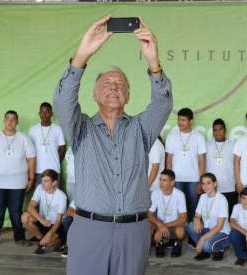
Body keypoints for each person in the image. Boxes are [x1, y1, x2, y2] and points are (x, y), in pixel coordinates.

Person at [53, 16, 172, 275]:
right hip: (89, 230)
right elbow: (63, 101)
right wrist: (81, 56)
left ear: (128, 95)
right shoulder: (80, 128)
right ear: (95, 94)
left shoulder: (141, 128)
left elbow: (163, 104)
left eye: (120, 84)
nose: (113, 87)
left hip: (134, 232)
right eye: (106, 83)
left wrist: (153, 63)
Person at [0, 110, 36, 246]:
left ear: (17, 122)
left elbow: (31, 159)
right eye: (7, 119)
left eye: (13, 119)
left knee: (16, 211)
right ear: (4, 121)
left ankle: (20, 238)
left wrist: (31, 178)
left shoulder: (24, 138)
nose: (10, 121)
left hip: (18, 183)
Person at [166, 108, 206, 221]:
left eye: (183, 120)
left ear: (191, 121)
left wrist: (201, 181)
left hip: (194, 179)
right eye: (179, 120)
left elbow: (202, 160)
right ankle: (181, 237)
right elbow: (169, 160)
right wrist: (169, 180)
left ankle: (193, 237)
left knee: (194, 208)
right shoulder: (172, 136)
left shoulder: (198, 137)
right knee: (178, 209)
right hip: (176, 179)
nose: (180, 123)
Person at [21, 169, 67, 255]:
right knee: (25, 217)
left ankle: (58, 241)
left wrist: (49, 234)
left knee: (50, 243)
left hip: (57, 225)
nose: (42, 183)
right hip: (44, 222)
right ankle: (41, 239)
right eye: (42, 180)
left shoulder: (62, 196)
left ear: (54, 183)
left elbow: (58, 221)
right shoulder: (39, 188)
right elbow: (30, 207)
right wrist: (42, 219)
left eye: (46, 181)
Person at [186, 173, 230, 261]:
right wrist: (196, 219)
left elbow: (219, 227)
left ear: (215, 184)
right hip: (207, 230)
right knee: (190, 226)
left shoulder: (221, 199)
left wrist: (202, 239)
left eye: (208, 183)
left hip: (221, 232)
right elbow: (197, 215)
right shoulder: (203, 197)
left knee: (206, 245)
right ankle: (205, 250)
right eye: (203, 183)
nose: (206, 186)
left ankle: (219, 249)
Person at [149, 169, 187, 258]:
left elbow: (183, 218)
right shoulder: (155, 193)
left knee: (180, 231)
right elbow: (149, 214)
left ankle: (177, 243)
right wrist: (159, 225)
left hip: (173, 226)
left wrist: (164, 226)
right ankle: (159, 243)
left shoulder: (179, 194)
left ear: (172, 182)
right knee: (148, 225)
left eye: (164, 180)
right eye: (160, 180)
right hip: (160, 226)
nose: (161, 183)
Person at [29, 102, 66, 187]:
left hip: (54, 170)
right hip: (38, 170)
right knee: (39, 197)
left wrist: (54, 160)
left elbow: (62, 148)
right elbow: (30, 151)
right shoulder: (33, 130)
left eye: (47, 112)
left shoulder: (57, 129)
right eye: (42, 112)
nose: (44, 114)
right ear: (39, 114)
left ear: (51, 114)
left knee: (55, 197)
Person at [206, 118, 237, 215]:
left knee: (228, 215)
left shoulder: (233, 145)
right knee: (211, 216)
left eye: (220, 129)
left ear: (225, 130)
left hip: (230, 187)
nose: (218, 132)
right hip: (211, 188)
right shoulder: (207, 145)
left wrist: (238, 182)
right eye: (215, 130)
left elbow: (238, 165)